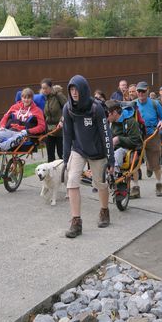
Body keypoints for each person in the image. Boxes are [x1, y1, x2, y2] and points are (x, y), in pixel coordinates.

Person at [63, 75, 114, 238]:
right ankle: (76, 221)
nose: (74, 92)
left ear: (83, 89)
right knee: (72, 181)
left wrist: (110, 158)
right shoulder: (68, 108)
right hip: (78, 149)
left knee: (100, 183)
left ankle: (104, 210)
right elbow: (67, 135)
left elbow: (106, 134)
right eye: (71, 89)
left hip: (97, 152)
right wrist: (65, 160)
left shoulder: (96, 108)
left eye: (76, 89)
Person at [0, 88, 46, 175]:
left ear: (32, 98)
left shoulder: (37, 111)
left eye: (28, 98)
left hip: (24, 135)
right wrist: (2, 126)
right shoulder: (15, 107)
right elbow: (5, 117)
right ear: (21, 98)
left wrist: (28, 131)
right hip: (10, 131)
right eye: (24, 97)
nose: (26, 100)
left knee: (16, 137)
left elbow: (42, 127)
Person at [133, 81, 162, 197]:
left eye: (143, 91)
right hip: (137, 135)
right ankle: (135, 187)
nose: (141, 93)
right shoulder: (132, 104)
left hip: (152, 134)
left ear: (147, 91)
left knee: (155, 162)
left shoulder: (155, 103)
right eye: (139, 91)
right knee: (134, 161)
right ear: (136, 92)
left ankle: (159, 184)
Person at [105, 99, 142, 174]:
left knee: (118, 152)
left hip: (127, 149)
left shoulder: (131, 122)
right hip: (113, 148)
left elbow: (136, 142)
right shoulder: (110, 122)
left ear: (115, 113)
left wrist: (119, 139)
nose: (105, 117)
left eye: (107, 114)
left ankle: (114, 174)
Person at [41, 78, 67, 162]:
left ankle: (65, 173)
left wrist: (62, 120)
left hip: (60, 129)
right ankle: (51, 174)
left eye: (45, 88)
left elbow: (67, 108)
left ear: (51, 87)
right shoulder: (45, 98)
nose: (44, 90)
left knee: (61, 154)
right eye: (42, 88)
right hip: (49, 130)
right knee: (50, 155)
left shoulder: (58, 95)